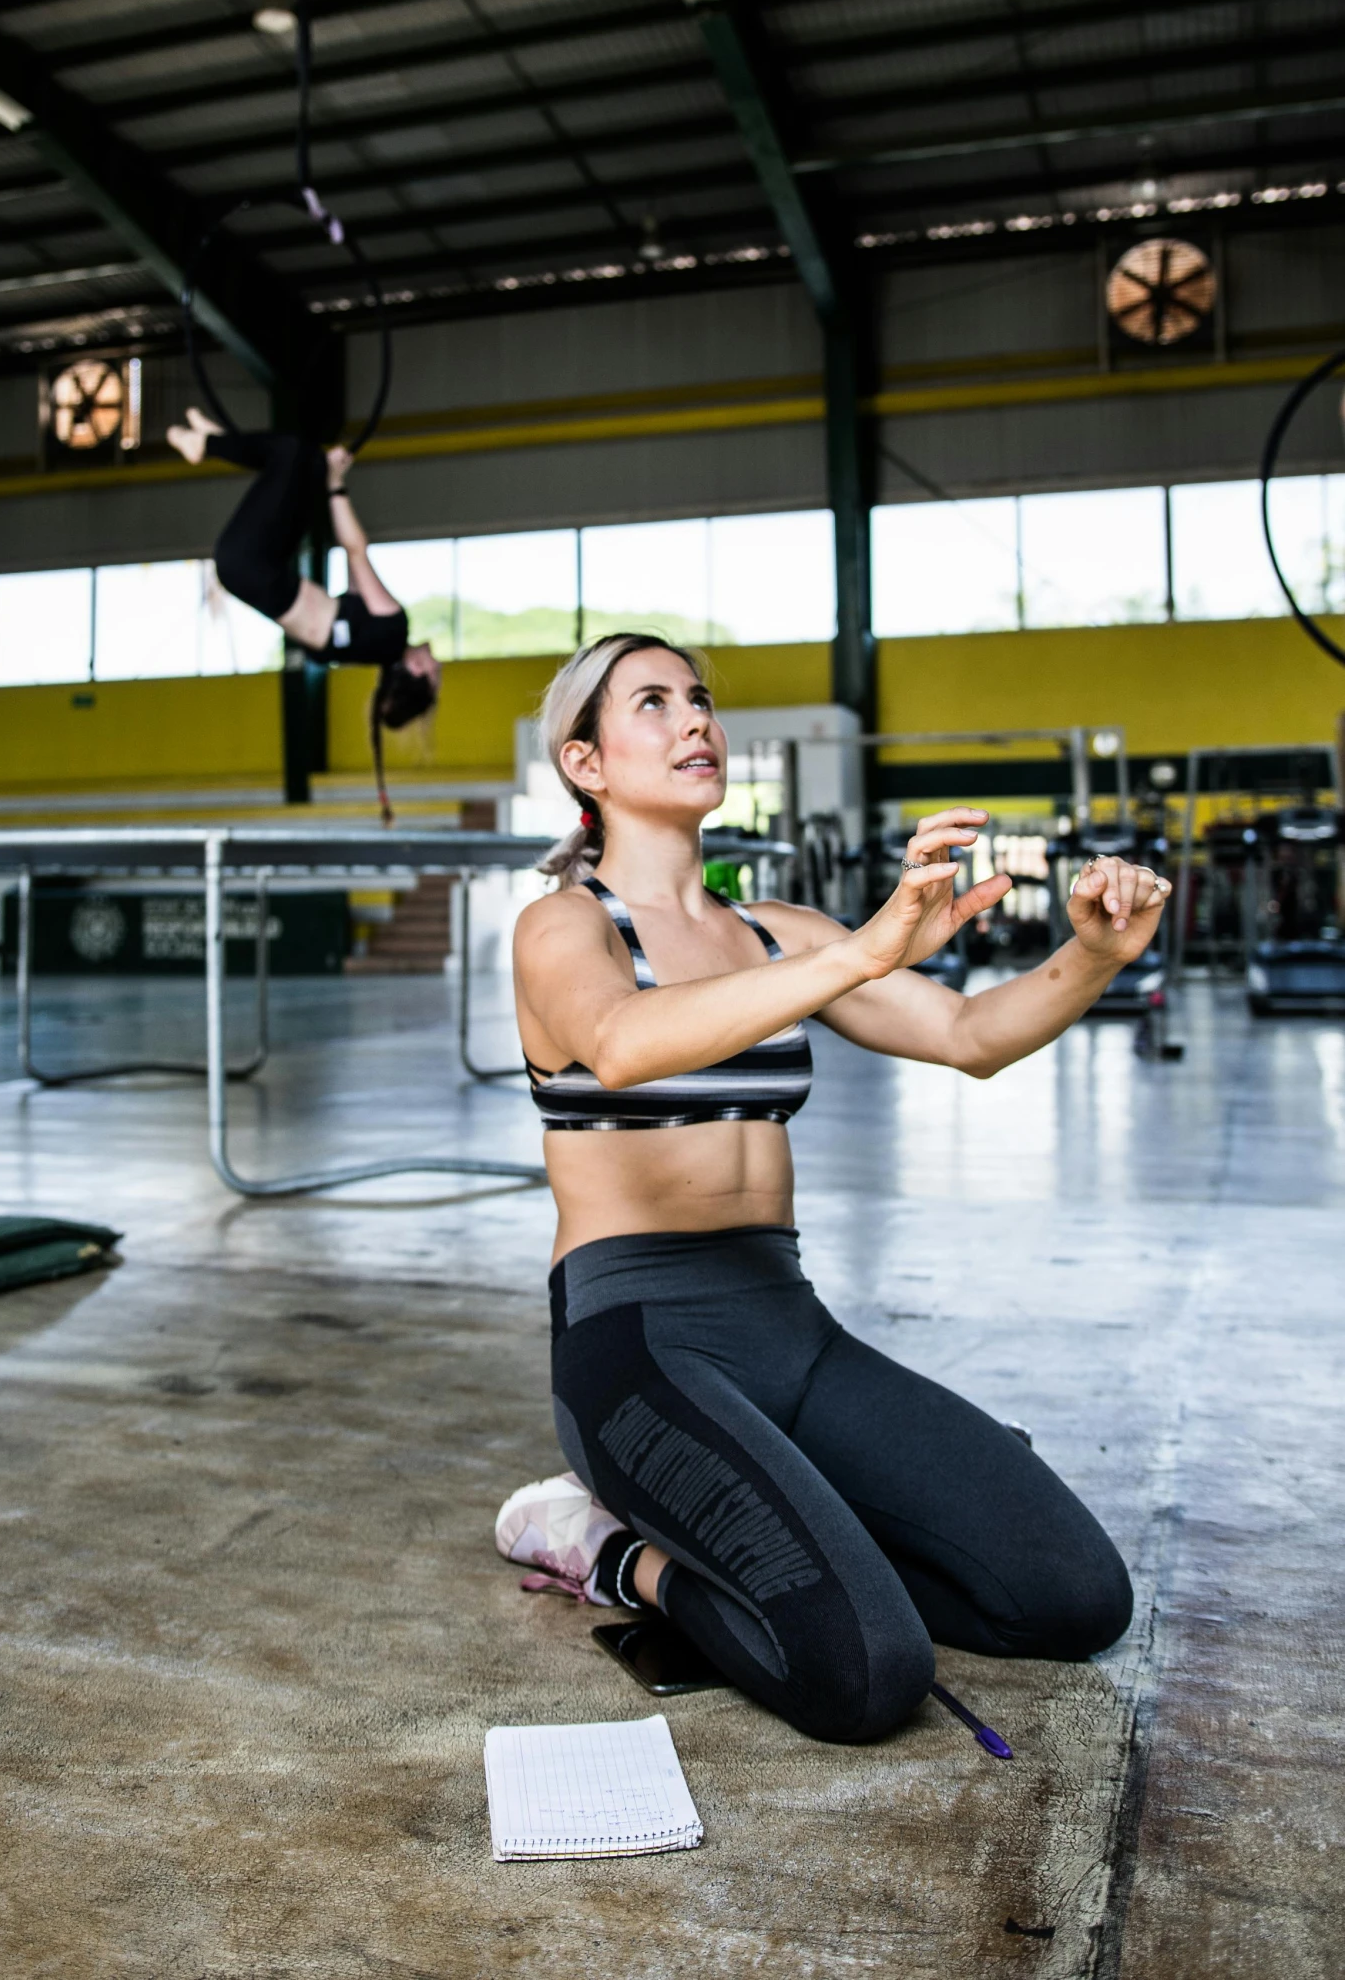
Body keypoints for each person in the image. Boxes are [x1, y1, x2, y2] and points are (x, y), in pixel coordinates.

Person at [496, 631, 1166, 1745]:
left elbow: (965, 1034)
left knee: (1072, 1596)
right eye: (651, 704)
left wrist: (1091, 953)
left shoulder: (778, 933)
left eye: (700, 699)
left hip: (786, 1327)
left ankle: (814, 1527)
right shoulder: (564, 926)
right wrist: (859, 953)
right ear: (586, 765)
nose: (695, 719)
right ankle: (609, 1548)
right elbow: (617, 1044)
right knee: (865, 1672)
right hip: (640, 1347)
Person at [168, 409, 439, 816]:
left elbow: (356, 552)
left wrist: (336, 484)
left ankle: (207, 444)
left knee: (294, 453)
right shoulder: (368, 648)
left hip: (252, 564)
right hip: (261, 569)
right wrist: (330, 479)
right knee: (305, 462)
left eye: (436, 670)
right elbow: (353, 572)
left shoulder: (392, 632)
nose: (436, 660)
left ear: (416, 670)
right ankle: (215, 440)